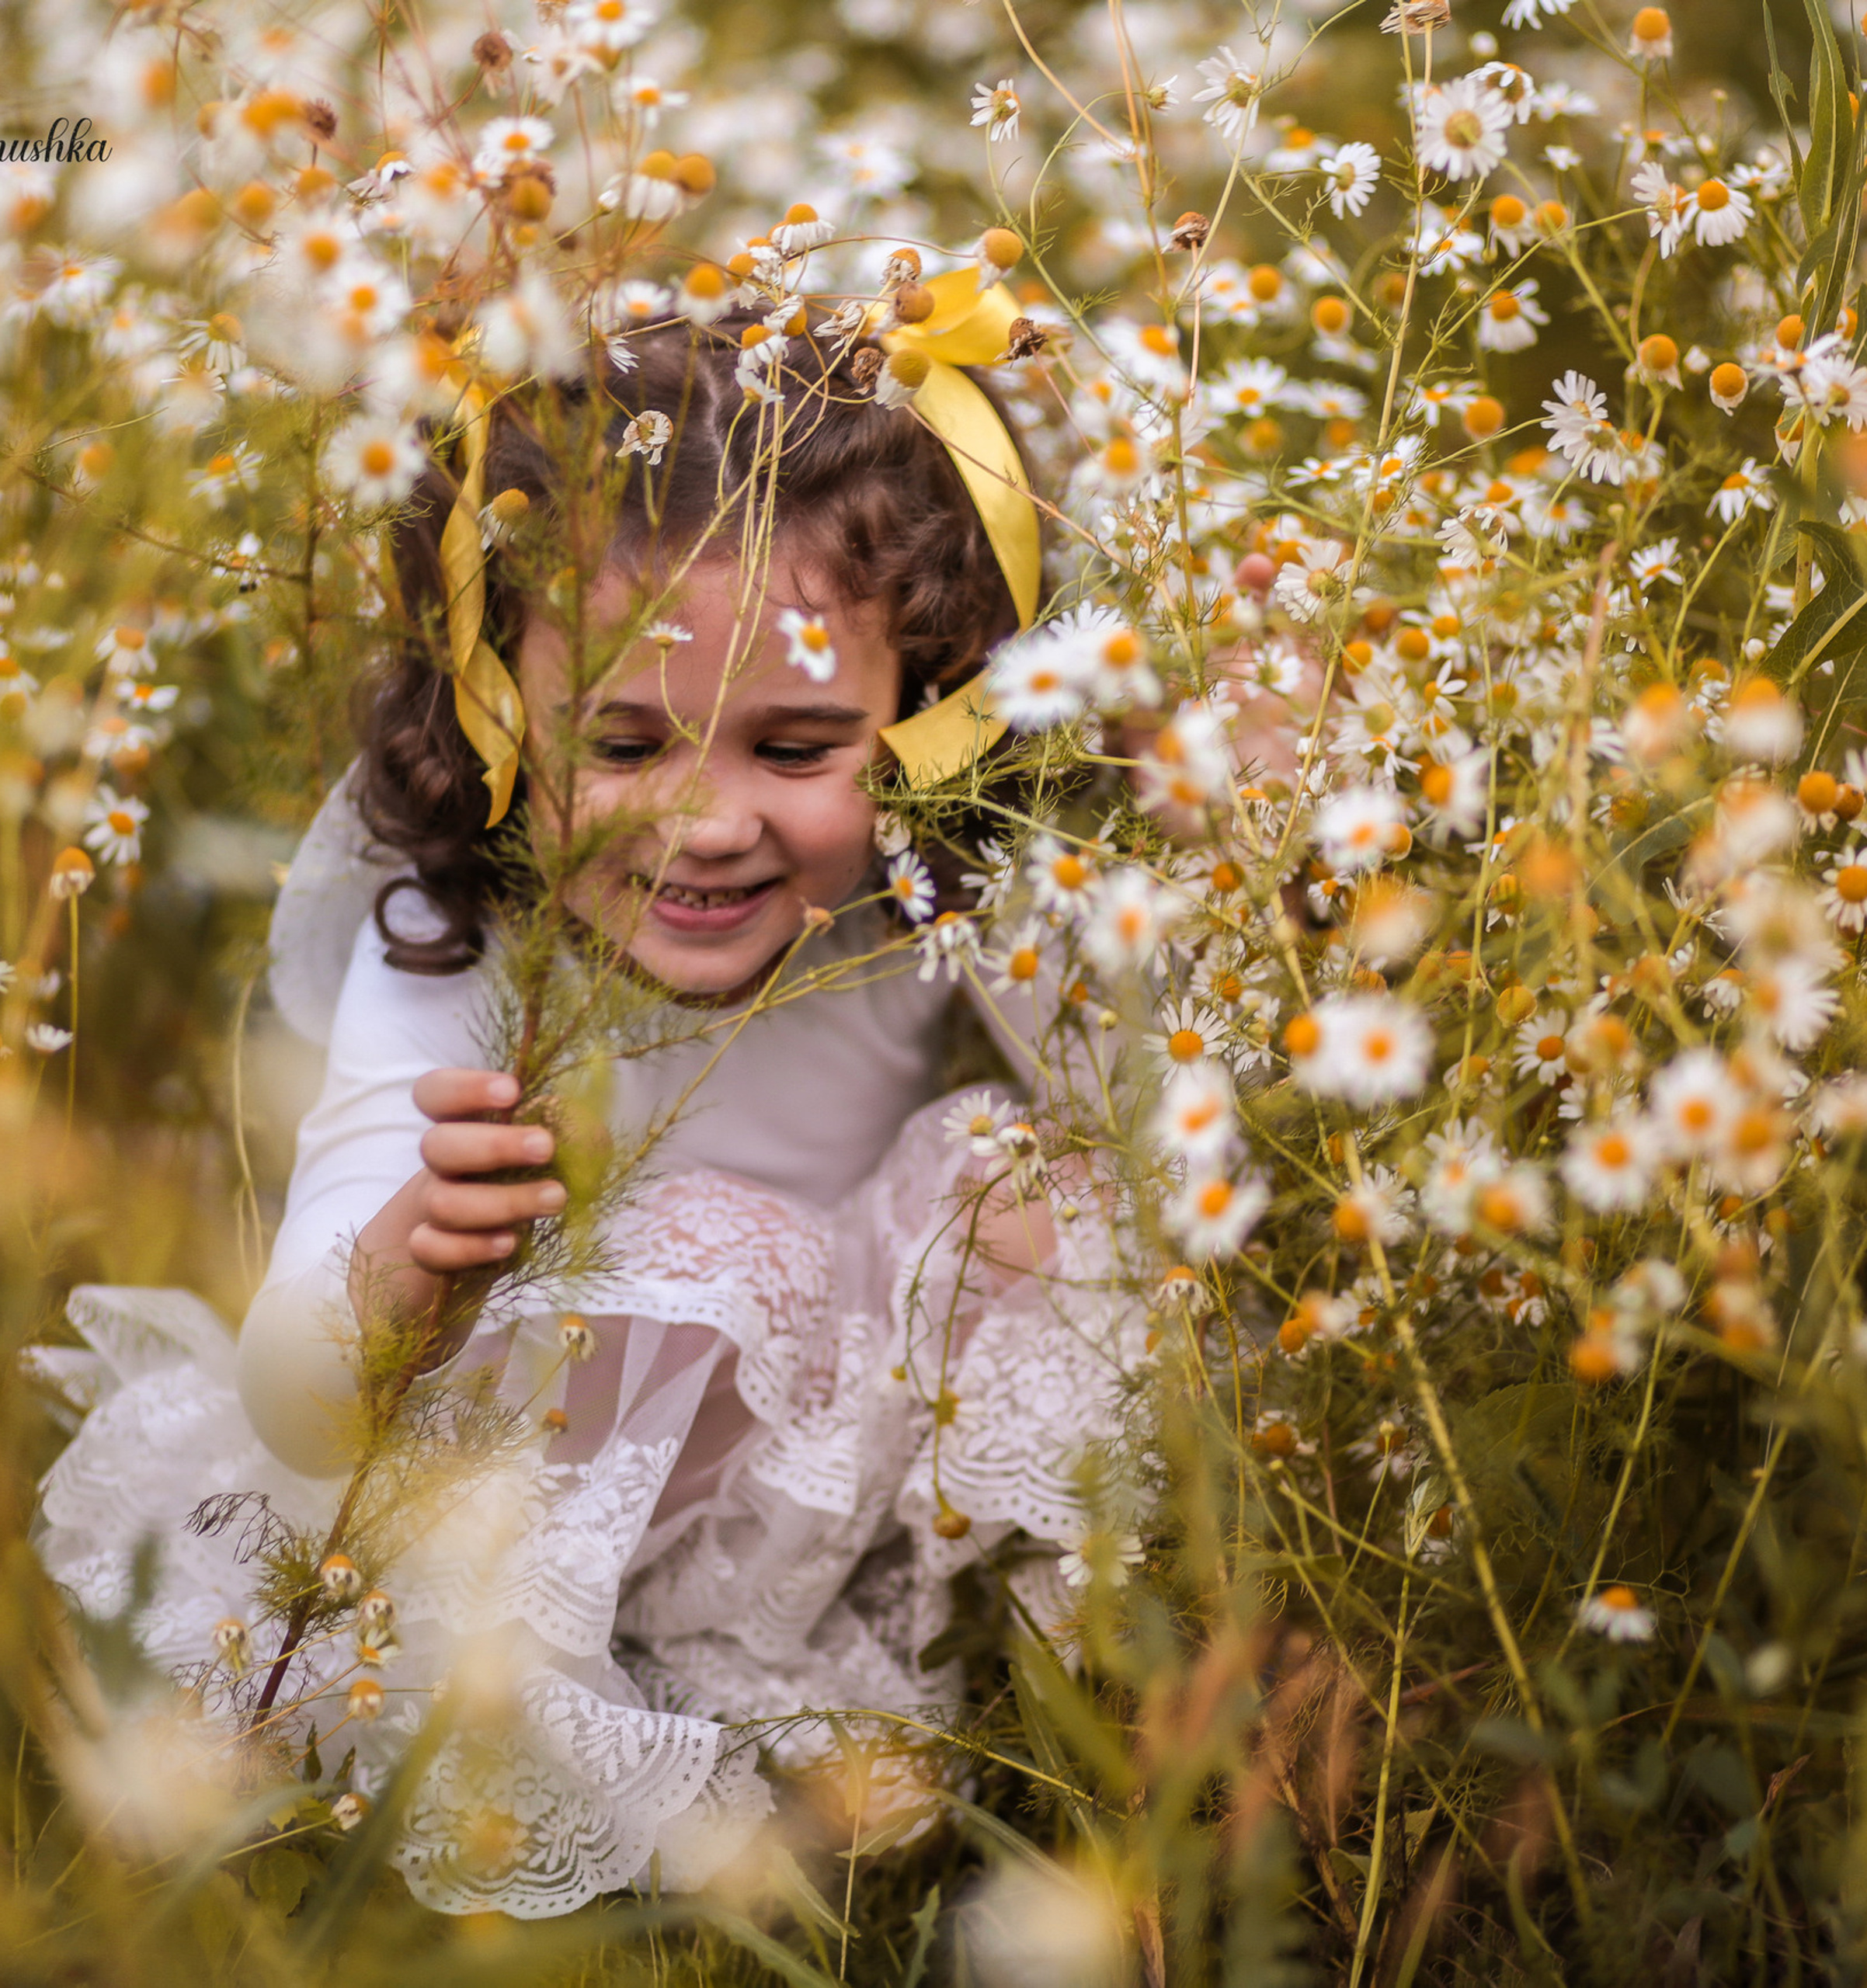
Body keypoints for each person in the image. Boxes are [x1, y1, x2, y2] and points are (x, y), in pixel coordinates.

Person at [34, 308, 1140, 1918]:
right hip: (487, 1523)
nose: (702, 821)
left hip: (800, 1505)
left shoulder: (931, 910)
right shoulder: (459, 956)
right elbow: (297, 1400)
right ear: (497, 715)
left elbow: (1162, 1126)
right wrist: (401, 1276)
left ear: (932, 711)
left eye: (796, 745)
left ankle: (1077, 1676)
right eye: (620, 739)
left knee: (1039, 1177)